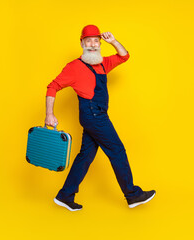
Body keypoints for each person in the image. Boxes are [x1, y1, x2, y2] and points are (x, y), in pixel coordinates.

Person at [45, 25, 155, 211]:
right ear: (82, 43)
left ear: (100, 44)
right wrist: (49, 113)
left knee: (85, 156)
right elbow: (52, 86)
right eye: (88, 41)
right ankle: (133, 195)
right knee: (117, 151)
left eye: (96, 41)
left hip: (97, 115)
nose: (93, 44)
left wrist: (113, 41)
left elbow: (124, 56)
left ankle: (65, 195)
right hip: (93, 115)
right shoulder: (74, 67)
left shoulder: (103, 63)